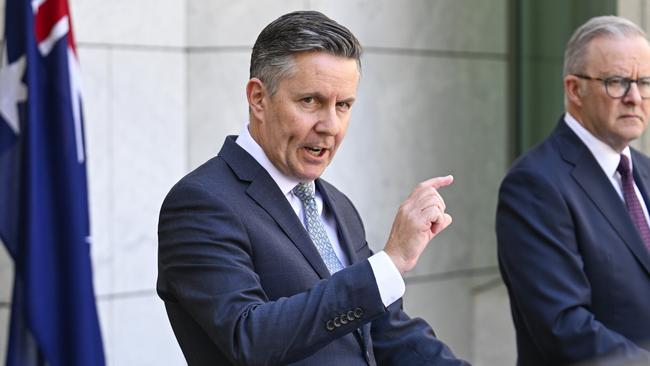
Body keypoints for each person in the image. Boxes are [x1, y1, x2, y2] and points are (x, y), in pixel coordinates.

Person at [157, 10, 468, 366]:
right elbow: (250, 339)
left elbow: (386, 332)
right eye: (311, 101)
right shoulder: (201, 203)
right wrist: (391, 262)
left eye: (344, 105)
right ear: (258, 98)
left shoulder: (338, 205)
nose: (330, 125)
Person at [497, 15, 650, 366]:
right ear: (574, 89)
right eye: (617, 82)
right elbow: (563, 328)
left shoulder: (644, 171)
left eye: (644, 82)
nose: (634, 97)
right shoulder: (535, 185)